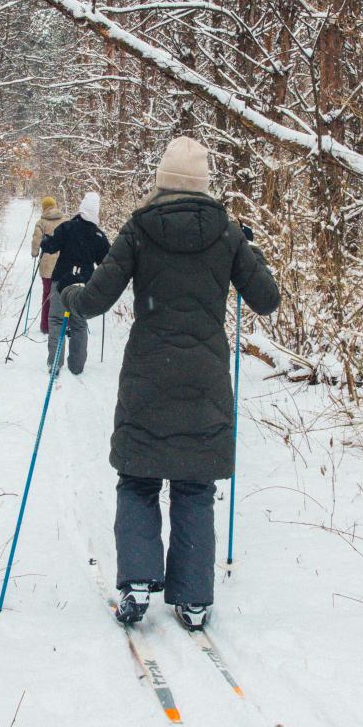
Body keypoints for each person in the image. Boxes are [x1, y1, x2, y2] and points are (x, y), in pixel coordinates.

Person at [60, 138, 278, 630]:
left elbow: (94, 299)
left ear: (161, 181)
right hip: (204, 379)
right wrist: (250, 253)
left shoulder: (139, 230)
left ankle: (137, 584)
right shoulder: (226, 234)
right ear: (204, 183)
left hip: (148, 375)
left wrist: (70, 294)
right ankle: (194, 599)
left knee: (138, 478)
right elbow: (266, 299)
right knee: (195, 484)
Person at [40, 191, 110, 375]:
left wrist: (45, 241)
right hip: (84, 285)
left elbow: (50, 246)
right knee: (79, 323)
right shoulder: (99, 236)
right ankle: (77, 367)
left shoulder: (67, 227)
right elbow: (107, 263)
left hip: (61, 281)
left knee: (56, 320)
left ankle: (55, 364)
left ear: (81, 209)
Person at [35, 196, 61, 336]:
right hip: (62, 264)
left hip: (46, 264)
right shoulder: (65, 220)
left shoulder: (41, 222)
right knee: (61, 294)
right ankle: (63, 323)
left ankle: (46, 326)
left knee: (47, 293)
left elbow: (36, 240)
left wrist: (34, 253)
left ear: (44, 207)